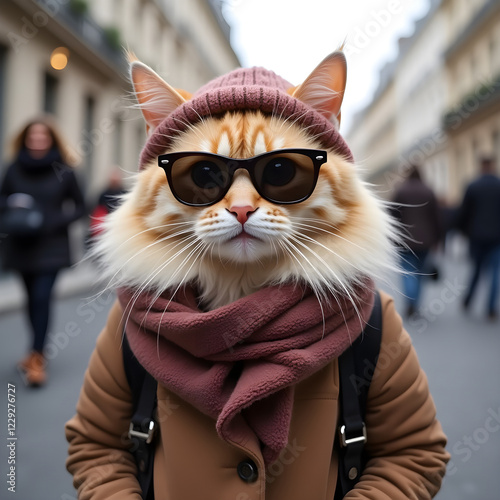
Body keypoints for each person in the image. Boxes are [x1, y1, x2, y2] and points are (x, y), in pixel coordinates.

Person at [0, 115, 86, 386]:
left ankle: (37, 357)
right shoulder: (13, 169)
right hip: (21, 245)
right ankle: (34, 350)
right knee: (29, 300)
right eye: (32, 137)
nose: (37, 141)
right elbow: (2, 200)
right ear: (25, 140)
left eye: (42, 136)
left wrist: (51, 221)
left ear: (50, 140)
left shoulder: (65, 169)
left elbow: (81, 207)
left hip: (51, 247)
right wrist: (15, 208)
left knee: (41, 298)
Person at [391, 165, 442, 316]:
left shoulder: (401, 191)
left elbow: (392, 216)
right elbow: (437, 218)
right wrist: (438, 239)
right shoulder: (429, 191)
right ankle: (416, 303)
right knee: (420, 273)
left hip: (405, 240)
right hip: (426, 241)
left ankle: (410, 302)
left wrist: (393, 237)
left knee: (407, 272)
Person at [456, 156, 500, 320]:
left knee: (476, 270)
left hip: (477, 236)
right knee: (495, 272)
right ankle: (491, 308)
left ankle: (468, 300)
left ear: (481, 166)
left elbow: (464, 212)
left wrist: (461, 231)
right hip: (496, 237)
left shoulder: (473, 186)